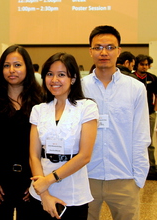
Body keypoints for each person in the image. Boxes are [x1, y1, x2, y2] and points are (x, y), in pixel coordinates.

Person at [81, 25, 150, 220]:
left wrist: (139, 178)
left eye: (110, 47)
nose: (104, 52)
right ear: (90, 51)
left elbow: (141, 136)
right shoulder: (79, 87)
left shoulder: (135, 88)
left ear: (118, 51)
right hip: (86, 177)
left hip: (124, 177)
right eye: (98, 47)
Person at [29, 52, 99, 220]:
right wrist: (44, 193)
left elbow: (84, 156)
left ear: (73, 78)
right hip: (40, 192)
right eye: (50, 74)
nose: (54, 80)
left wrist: (49, 180)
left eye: (61, 75)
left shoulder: (87, 107)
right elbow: (34, 155)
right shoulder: (39, 109)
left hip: (73, 191)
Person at [0, 45, 42, 219]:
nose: (12, 70)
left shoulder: (40, 101)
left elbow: (44, 146)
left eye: (17, 65)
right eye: (6, 65)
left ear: (27, 67)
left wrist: (38, 182)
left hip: (30, 181)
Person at [132, 54, 157, 180]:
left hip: (150, 114)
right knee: (136, 140)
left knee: (150, 142)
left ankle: (152, 168)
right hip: (135, 114)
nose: (145, 67)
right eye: (142, 64)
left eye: (147, 64)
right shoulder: (132, 78)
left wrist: (154, 109)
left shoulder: (152, 78)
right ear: (137, 65)